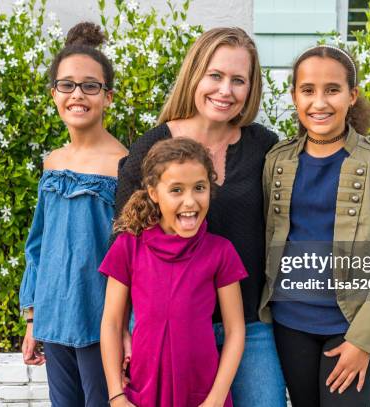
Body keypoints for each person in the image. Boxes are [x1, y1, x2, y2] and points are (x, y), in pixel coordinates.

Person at [112, 27, 287, 407]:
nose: (225, 90)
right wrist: (125, 327)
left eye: (238, 80)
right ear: (195, 75)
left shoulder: (264, 147)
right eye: (216, 76)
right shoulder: (154, 145)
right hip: (167, 328)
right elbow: (125, 239)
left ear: (250, 88)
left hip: (248, 326)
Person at [259, 45, 370, 406]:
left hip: (350, 325)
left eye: (332, 89)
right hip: (289, 321)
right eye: (308, 90)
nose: (320, 102)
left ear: (352, 95)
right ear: (294, 96)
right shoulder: (277, 160)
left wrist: (365, 340)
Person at [19, 22, 127, 407]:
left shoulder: (125, 165)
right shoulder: (53, 162)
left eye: (90, 86)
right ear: (54, 94)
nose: (77, 94)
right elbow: (38, 246)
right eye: (67, 85)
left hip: (101, 321)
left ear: (108, 96)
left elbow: (134, 254)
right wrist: (33, 318)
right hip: (54, 315)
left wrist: (128, 328)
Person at [99, 138, 247, 407]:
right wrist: (116, 395)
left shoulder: (221, 252)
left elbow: (235, 330)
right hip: (143, 393)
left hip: (202, 395)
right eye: (176, 190)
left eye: (199, 188)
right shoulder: (128, 247)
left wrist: (215, 399)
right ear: (154, 193)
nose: (190, 201)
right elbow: (110, 323)